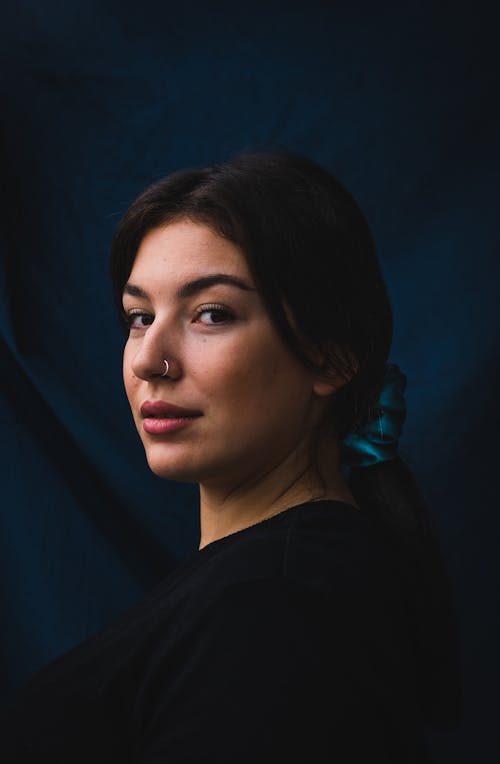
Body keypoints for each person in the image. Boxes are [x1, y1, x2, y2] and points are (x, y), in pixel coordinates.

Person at [1, 152, 461, 762]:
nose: (147, 359)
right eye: (139, 317)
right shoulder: (272, 581)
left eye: (210, 314)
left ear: (330, 358)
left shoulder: (274, 603)